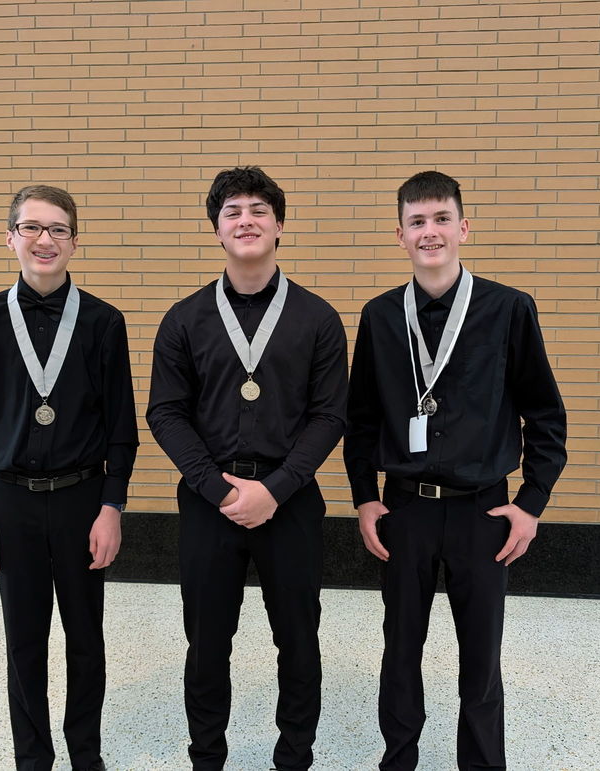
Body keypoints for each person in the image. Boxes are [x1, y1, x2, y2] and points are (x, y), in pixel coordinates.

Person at [343, 170, 567, 770]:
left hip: (483, 511)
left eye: (442, 219)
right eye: (417, 222)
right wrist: (365, 497)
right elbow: (360, 419)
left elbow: (545, 414)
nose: (430, 232)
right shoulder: (381, 316)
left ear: (464, 227)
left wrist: (531, 503)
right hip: (405, 510)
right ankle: (400, 760)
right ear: (400, 235)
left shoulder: (509, 310)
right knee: (400, 651)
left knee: (481, 658)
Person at [146, 166, 347, 770]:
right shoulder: (184, 319)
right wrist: (216, 488)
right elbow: (165, 412)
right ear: (216, 229)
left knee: (298, 642)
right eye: (233, 211)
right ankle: (207, 757)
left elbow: (330, 415)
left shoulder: (317, 318)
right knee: (206, 645)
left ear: (280, 225)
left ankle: (294, 758)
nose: (247, 220)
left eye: (259, 210)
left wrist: (278, 489)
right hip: (210, 501)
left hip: (291, 501)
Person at [0, 185, 138, 771]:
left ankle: (87, 754)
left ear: (74, 244)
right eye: (32, 228)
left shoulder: (105, 322)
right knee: (24, 644)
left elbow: (121, 431)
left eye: (58, 229)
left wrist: (111, 508)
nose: (44, 240)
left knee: (87, 641)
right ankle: (32, 758)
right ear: (11, 238)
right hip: (10, 502)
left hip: (84, 499)